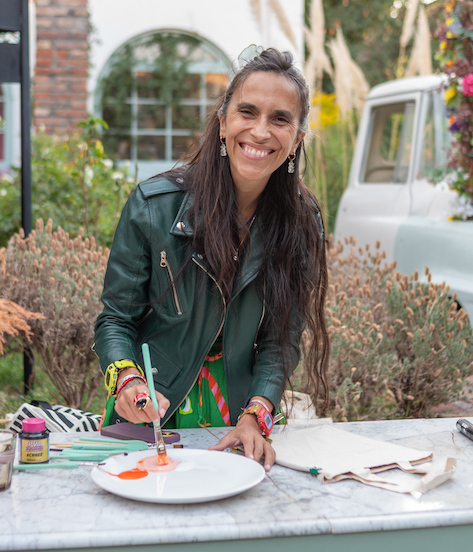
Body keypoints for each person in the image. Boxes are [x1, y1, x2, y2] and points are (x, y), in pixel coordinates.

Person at [94, 47, 330, 471]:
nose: (260, 131)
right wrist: (127, 381)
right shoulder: (153, 208)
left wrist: (256, 415)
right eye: (247, 112)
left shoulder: (301, 222)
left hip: (237, 423)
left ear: (296, 140)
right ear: (223, 124)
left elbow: (281, 340)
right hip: (149, 413)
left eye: (280, 119)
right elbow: (115, 319)